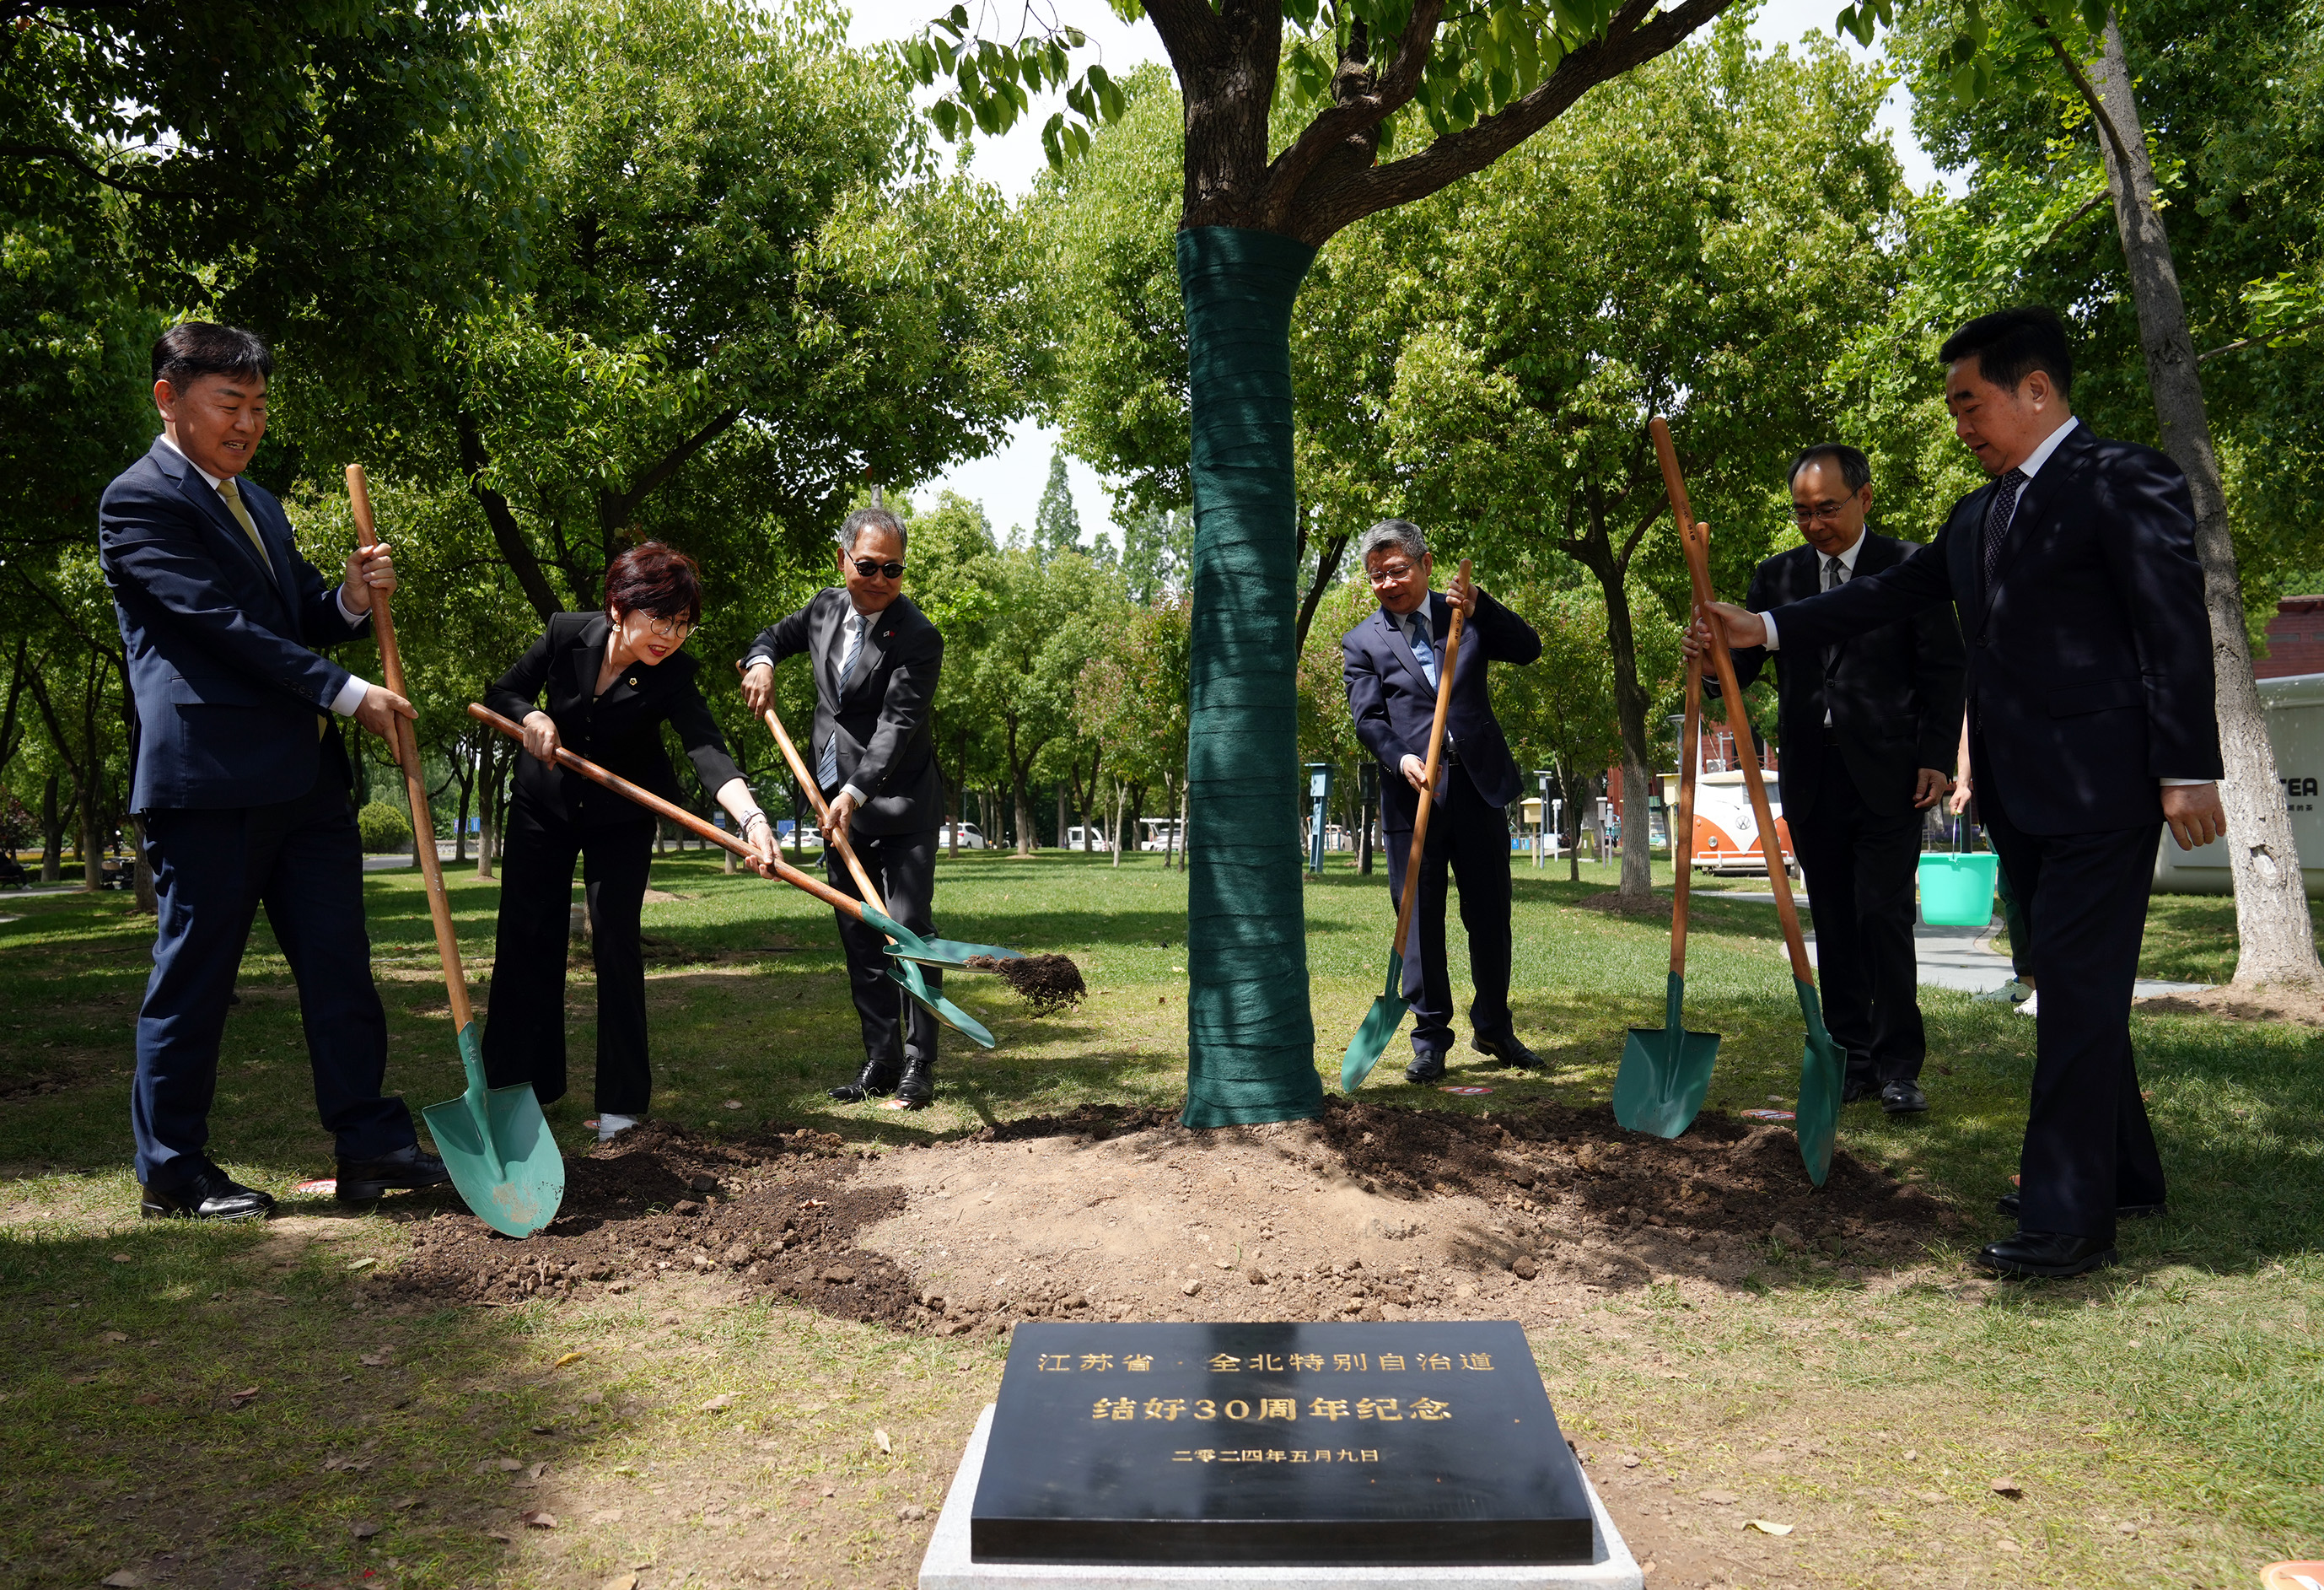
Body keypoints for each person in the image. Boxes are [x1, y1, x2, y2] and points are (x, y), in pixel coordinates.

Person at [1689, 306, 2225, 1279]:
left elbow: (2172, 627)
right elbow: (1881, 594)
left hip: (2103, 789)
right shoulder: (1977, 511)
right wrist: (1763, 629)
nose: (1959, 425)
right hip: (2015, 796)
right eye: (1950, 408)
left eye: (1968, 403)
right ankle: (2127, 1173)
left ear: (2033, 389)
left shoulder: (2123, 479)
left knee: (2068, 990)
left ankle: (2065, 1218)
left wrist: (2187, 766)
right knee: (2072, 986)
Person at [100, 322, 451, 1219]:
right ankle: (172, 1170)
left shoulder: (259, 502)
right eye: (231, 403)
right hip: (209, 783)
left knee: (341, 968)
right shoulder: (137, 502)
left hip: (303, 783)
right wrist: (346, 692)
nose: (248, 422)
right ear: (168, 397)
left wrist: (347, 597)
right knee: (195, 979)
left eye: (258, 405)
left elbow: (295, 612)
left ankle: (370, 1142)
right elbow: (220, 628)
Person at [482, 543, 774, 1143]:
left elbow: (708, 751)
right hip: (544, 805)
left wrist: (752, 821)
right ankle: (519, 1090)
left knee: (616, 944)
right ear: (619, 606)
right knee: (525, 939)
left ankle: (620, 1106)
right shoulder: (566, 633)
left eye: (682, 623)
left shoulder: (673, 676)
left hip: (622, 816)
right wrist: (530, 717)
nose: (669, 634)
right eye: (658, 619)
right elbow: (502, 693)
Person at [1714, 444, 1965, 1116]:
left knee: (1883, 915)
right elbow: (1738, 675)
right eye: (1802, 511)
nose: (1815, 523)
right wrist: (1711, 663)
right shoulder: (1776, 577)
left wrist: (1936, 756)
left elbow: (1945, 669)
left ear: (1866, 498)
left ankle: (1898, 1067)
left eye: (1827, 509)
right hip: (1813, 775)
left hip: (1890, 775)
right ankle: (1849, 1057)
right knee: (1833, 918)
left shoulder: (1912, 569)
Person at [740, 507, 946, 1108]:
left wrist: (855, 793)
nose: (880, 577)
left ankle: (918, 1065)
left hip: (897, 802)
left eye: (893, 568)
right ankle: (879, 1060)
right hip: (832, 803)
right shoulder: (826, 607)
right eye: (867, 565)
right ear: (843, 560)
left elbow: (896, 726)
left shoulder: (918, 636)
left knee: (907, 930)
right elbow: (771, 638)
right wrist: (762, 662)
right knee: (859, 936)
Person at [1342, 519, 1545, 1084]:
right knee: (1419, 923)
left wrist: (1483, 604)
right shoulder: (1362, 642)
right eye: (1376, 575)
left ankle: (1494, 1027)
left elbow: (1528, 648)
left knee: (1489, 916)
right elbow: (1368, 719)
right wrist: (1400, 758)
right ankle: (1430, 1038)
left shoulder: (1464, 616)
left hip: (1478, 788)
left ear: (1426, 564)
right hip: (1414, 799)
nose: (1387, 582)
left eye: (1398, 570)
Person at [1953, 712, 2038, 1014]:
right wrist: (1963, 781)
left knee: (2047, 886)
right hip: (1998, 790)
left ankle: (2053, 983)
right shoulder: (1978, 669)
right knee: (2013, 890)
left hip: (2043, 782)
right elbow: (1969, 718)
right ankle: (2027, 981)